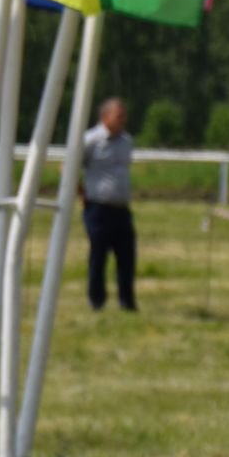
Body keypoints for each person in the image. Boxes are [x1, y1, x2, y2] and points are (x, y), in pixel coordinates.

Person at [80, 97, 137, 311]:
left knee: (127, 257)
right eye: (119, 115)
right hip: (98, 208)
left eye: (124, 116)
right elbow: (70, 168)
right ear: (105, 116)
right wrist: (81, 193)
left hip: (122, 209)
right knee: (98, 256)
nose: (123, 120)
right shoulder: (90, 140)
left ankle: (127, 301)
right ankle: (97, 301)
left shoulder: (127, 141)